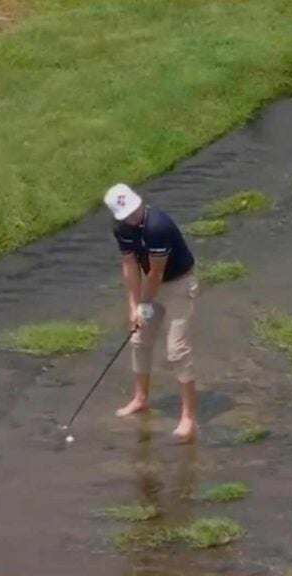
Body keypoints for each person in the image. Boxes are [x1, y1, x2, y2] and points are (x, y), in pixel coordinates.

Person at [103, 183, 200, 443]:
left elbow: (156, 272)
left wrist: (145, 303)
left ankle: (188, 419)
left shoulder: (158, 226)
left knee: (177, 350)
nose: (133, 217)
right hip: (150, 285)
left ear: (139, 202)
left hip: (179, 283)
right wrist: (134, 306)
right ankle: (140, 399)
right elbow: (130, 265)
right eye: (127, 215)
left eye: (134, 210)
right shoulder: (121, 229)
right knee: (139, 339)